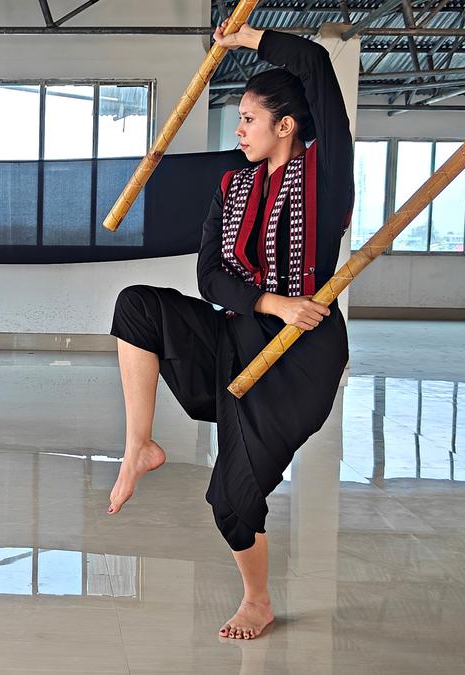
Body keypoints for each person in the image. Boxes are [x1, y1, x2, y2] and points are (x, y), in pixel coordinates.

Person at [106, 22, 354, 640]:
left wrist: (248, 38)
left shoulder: (325, 174)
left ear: (285, 125)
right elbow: (210, 276)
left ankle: (256, 601)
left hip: (301, 357)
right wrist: (271, 302)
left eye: (248, 119)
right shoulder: (233, 185)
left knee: (231, 500)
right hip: (240, 334)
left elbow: (316, 65)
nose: (239, 130)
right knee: (136, 306)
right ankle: (140, 445)